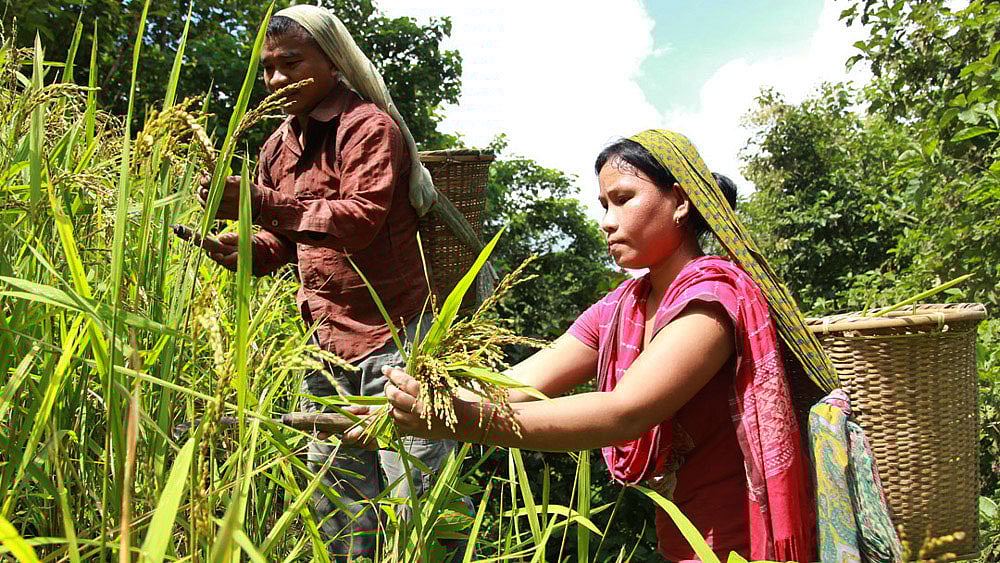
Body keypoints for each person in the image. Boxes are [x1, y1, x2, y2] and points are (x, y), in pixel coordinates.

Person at [365, 130, 816, 562]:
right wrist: (399, 408)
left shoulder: (711, 299)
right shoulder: (621, 308)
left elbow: (625, 413)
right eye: (604, 205)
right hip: (682, 541)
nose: (607, 222)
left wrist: (465, 421)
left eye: (623, 199)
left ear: (679, 201)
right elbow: (515, 384)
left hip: (743, 545)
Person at [192, 6, 464, 560]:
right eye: (267, 69)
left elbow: (360, 221)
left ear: (333, 62)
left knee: (415, 496)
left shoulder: (368, 128)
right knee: (336, 503)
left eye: (291, 64)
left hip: (397, 338)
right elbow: (286, 243)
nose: (276, 80)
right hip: (325, 346)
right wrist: (243, 248)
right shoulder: (277, 147)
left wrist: (257, 201)